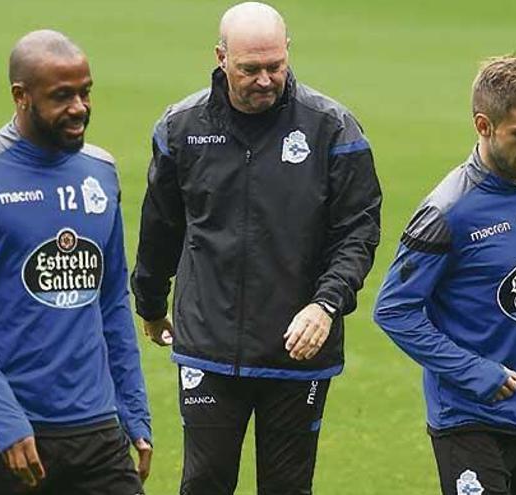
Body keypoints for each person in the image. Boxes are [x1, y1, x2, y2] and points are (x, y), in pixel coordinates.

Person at [130, 2, 381, 494]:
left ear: (288, 52)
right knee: (205, 482)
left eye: (275, 66)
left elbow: (358, 231)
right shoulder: (181, 129)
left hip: (299, 347)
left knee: (288, 489)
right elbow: (161, 225)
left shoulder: (332, 129)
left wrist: (326, 304)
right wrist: (152, 303)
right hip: (209, 345)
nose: (265, 80)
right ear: (221, 58)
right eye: (250, 69)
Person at [0, 30, 151, 494]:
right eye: (62, 96)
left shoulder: (100, 172)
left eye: (85, 92)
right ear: (21, 96)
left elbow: (111, 299)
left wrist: (132, 407)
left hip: (93, 430)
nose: (79, 107)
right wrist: (7, 421)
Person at [374, 55, 516, 495]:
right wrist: (477, 373)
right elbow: (394, 310)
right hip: (469, 422)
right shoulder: (447, 211)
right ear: (483, 125)